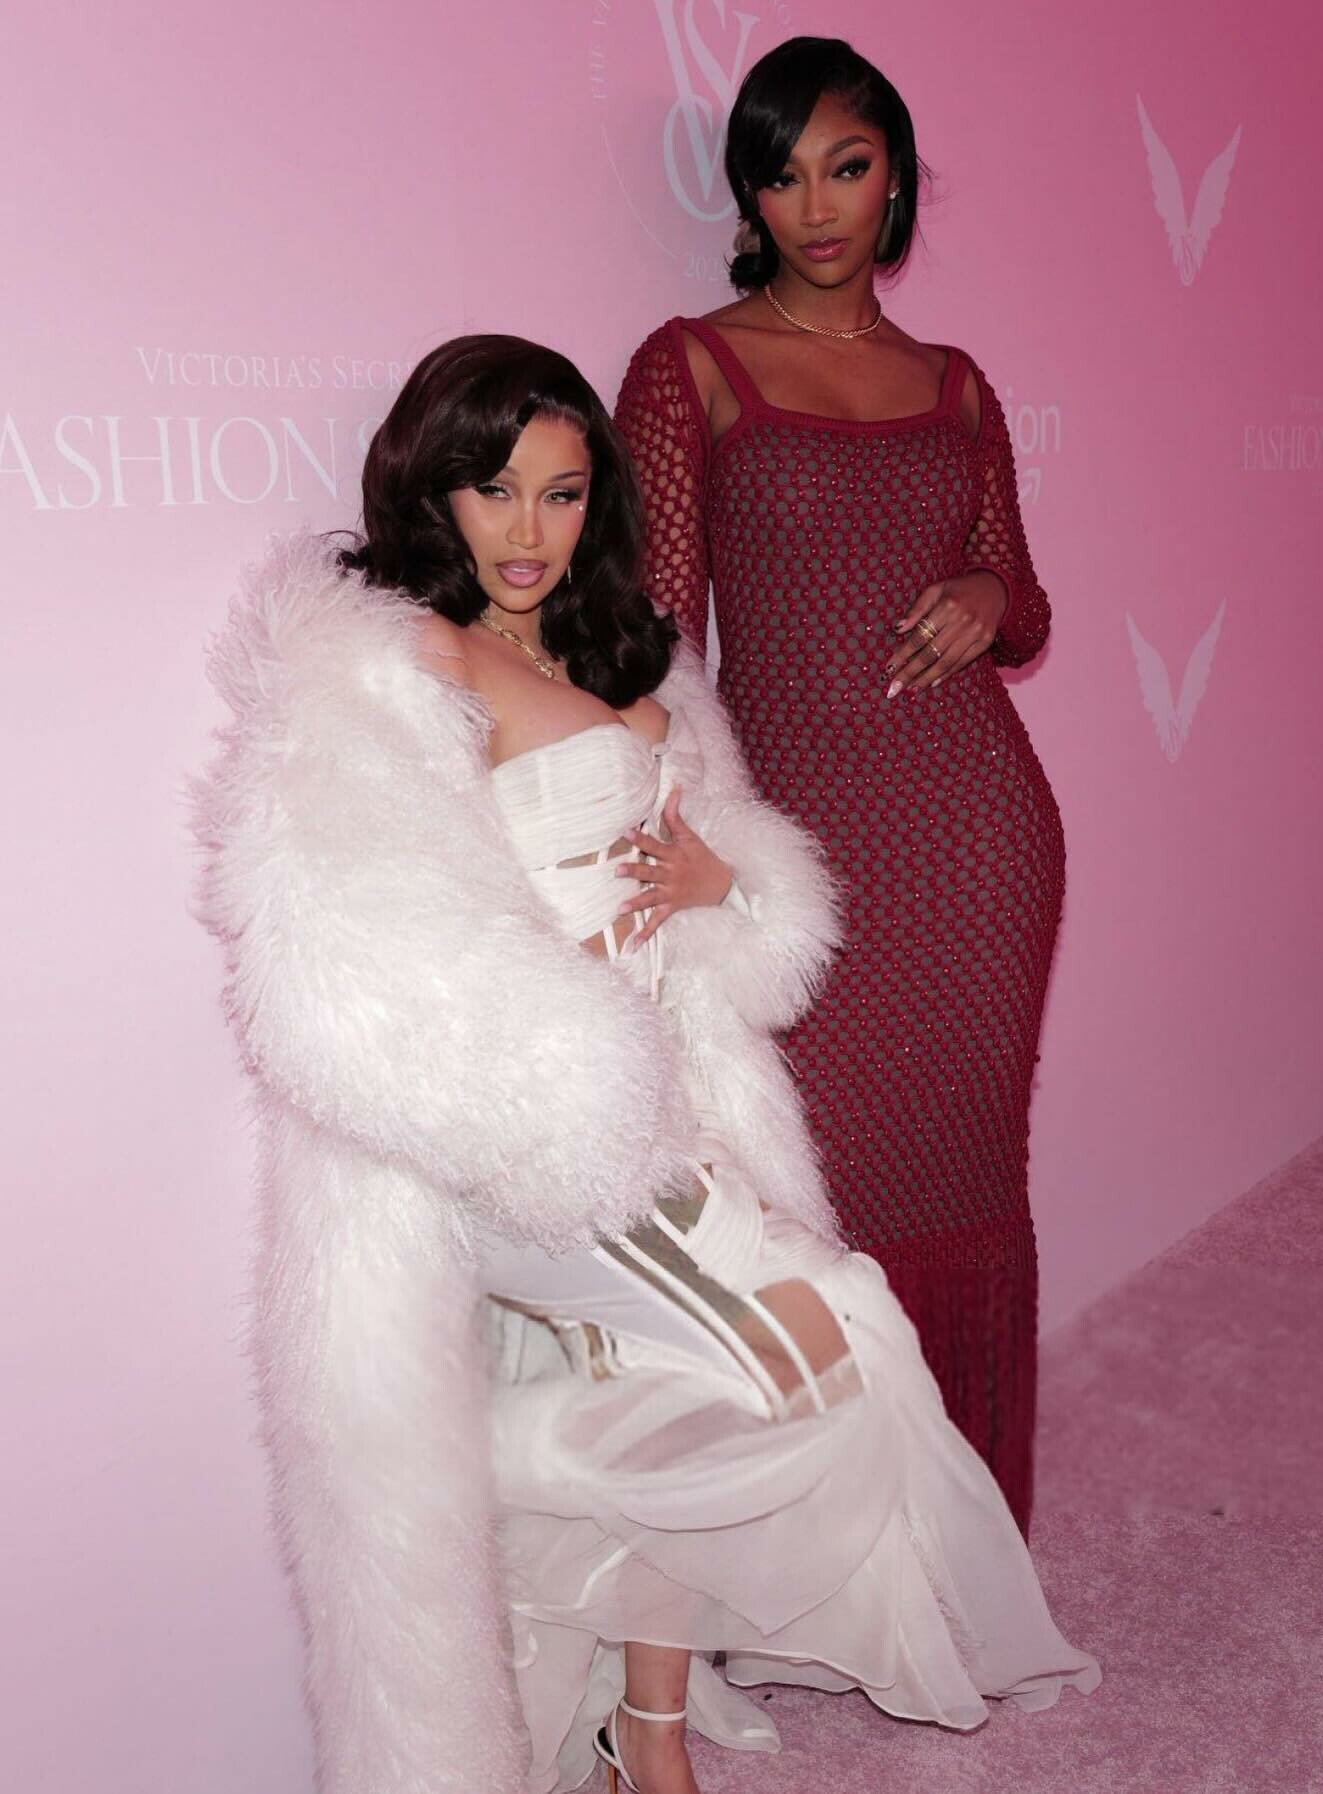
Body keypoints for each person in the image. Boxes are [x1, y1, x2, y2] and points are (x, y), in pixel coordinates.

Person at [192, 335, 1096, 1794]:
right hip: (534, 1133)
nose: (529, 531)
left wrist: (722, 888)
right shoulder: (390, 659)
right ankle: (481, 1469)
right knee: (825, 1347)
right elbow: (348, 962)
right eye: (495, 489)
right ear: (433, 488)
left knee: (709, 1390)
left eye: (561, 494)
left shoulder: (629, 652)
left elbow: (748, 907)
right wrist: (575, 1089)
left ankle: (646, 1740)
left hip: (667, 1101)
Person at [615, 36, 1061, 1536]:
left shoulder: (956, 386)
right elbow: (659, 638)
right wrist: (684, 830)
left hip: (977, 838)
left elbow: (1027, 604)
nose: (816, 206)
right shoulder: (690, 367)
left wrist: (987, 590)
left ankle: (955, 1532)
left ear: (896, 180)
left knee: (968, 1175)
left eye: (847, 167)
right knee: (811, 1194)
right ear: (748, 196)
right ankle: (823, 1543)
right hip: (796, 855)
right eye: (782, 173)